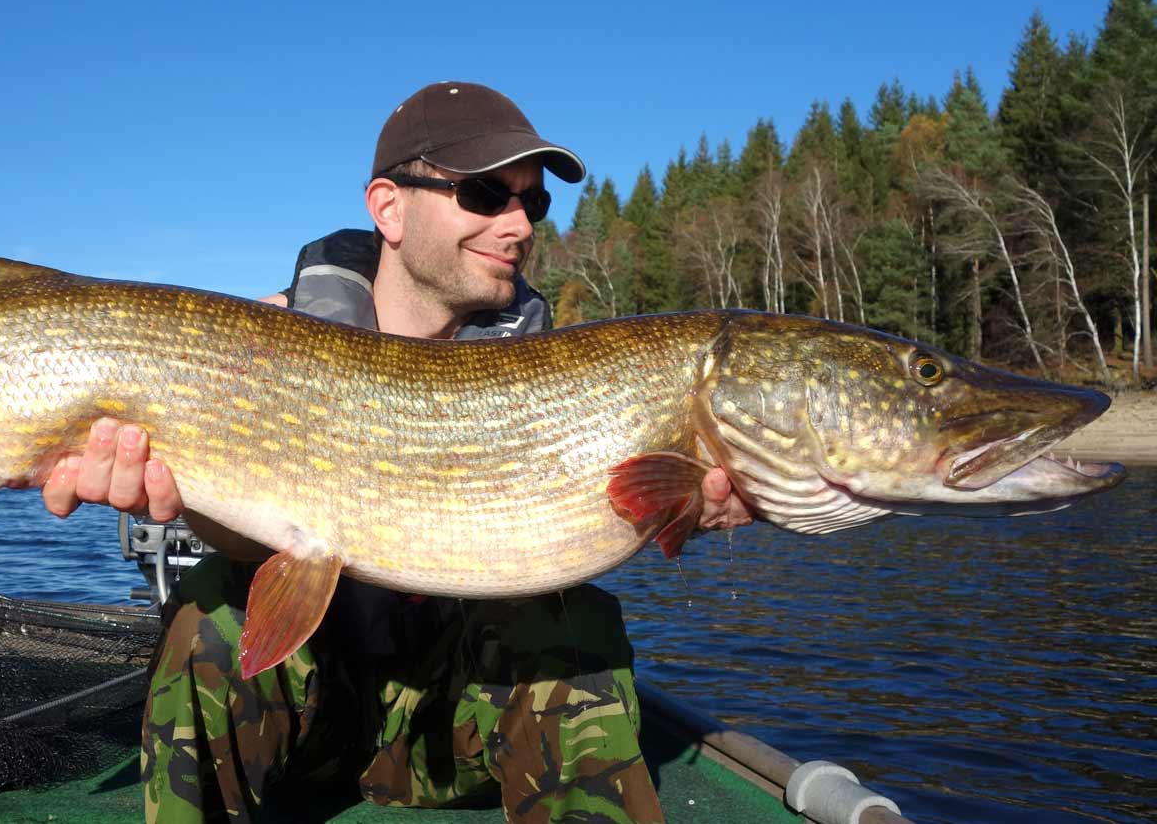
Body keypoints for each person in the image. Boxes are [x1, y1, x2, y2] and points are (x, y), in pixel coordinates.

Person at [40, 82, 751, 823]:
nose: (518, 225)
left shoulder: (557, 371)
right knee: (209, 613)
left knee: (575, 626)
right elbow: (244, 533)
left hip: (454, 725)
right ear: (388, 207)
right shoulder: (266, 340)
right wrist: (167, 488)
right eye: (484, 194)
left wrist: (682, 503)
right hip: (309, 710)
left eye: (531, 203)